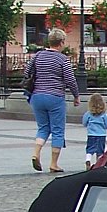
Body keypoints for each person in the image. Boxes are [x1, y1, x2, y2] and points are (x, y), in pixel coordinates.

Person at [26, 28, 80, 172]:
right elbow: (70, 80)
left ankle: (36, 153)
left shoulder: (38, 56)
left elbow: (27, 72)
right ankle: (53, 164)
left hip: (37, 96)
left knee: (43, 128)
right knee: (57, 130)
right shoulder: (63, 59)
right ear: (61, 42)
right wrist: (76, 95)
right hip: (55, 97)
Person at [82, 93, 107, 168]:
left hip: (91, 135)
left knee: (90, 149)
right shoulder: (104, 115)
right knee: (100, 151)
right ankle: (99, 164)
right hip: (101, 135)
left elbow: (84, 123)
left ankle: (88, 159)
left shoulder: (88, 114)